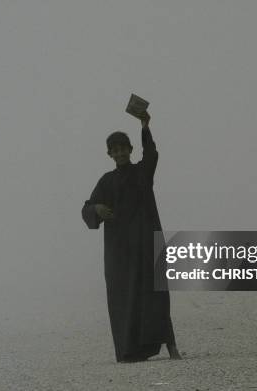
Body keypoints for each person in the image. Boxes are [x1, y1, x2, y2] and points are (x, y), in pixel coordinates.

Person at [82, 112, 181, 362]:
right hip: (120, 253)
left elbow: (152, 156)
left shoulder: (142, 173)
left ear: (130, 149)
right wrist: (96, 209)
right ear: (109, 154)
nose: (119, 153)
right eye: (114, 150)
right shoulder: (106, 181)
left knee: (156, 297)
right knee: (124, 300)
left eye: (123, 149)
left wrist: (145, 127)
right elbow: (87, 208)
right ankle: (131, 351)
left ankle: (172, 348)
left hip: (146, 245)